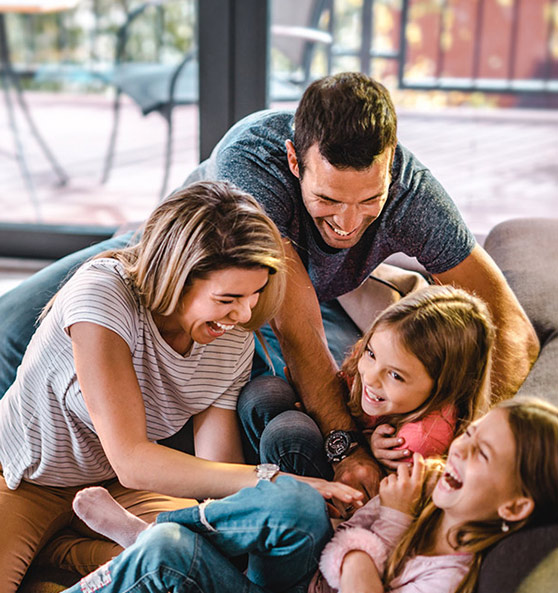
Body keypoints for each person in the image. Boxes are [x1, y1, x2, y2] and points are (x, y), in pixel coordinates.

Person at [0, 73, 539, 498]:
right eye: (328, 201)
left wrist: (464, 435)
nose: (349, 224)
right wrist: (346, 450)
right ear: (293, 161)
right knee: (12, 327)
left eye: (368, 202)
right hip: (168, 260)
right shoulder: (253, 164)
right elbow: (299, 332)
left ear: (391, 168)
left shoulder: (414, 197)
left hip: (258, 299)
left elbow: (515, 330)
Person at [0, 396, 556, 593]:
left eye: (481, 454)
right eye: (471, 433)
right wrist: (359, 542)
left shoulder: (451, 584)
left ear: (512, 507)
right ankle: (151, 532)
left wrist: (387, 522)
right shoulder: (434, 499)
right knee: (296, 501)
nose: (459, 449)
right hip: (310, 585)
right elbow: (344, 546)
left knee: (171, 551)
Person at [0, 180, 364, 593]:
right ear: (174, 275)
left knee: (215, 555)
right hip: (25, 477)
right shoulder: (102, 296)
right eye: (228, 298)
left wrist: (266, 511)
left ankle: (63, 550)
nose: (245, 315)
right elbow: (132, 457)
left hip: (117, 489)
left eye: (253, 296)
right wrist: (283, 482)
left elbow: (216, 473)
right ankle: (59, 545)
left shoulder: (229, 337)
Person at [241, 285, 495, 479]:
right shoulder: (374, 361)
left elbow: (384, 501)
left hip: (351, 497)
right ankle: (248, 480)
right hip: (345, 443)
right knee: (264, 392)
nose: (371, 377)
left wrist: (372, 452)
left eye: (395, 375)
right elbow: (345, 387)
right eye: (371, 354)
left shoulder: (419, 440)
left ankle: (280, 509)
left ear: (444, 388)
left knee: (287, 434)